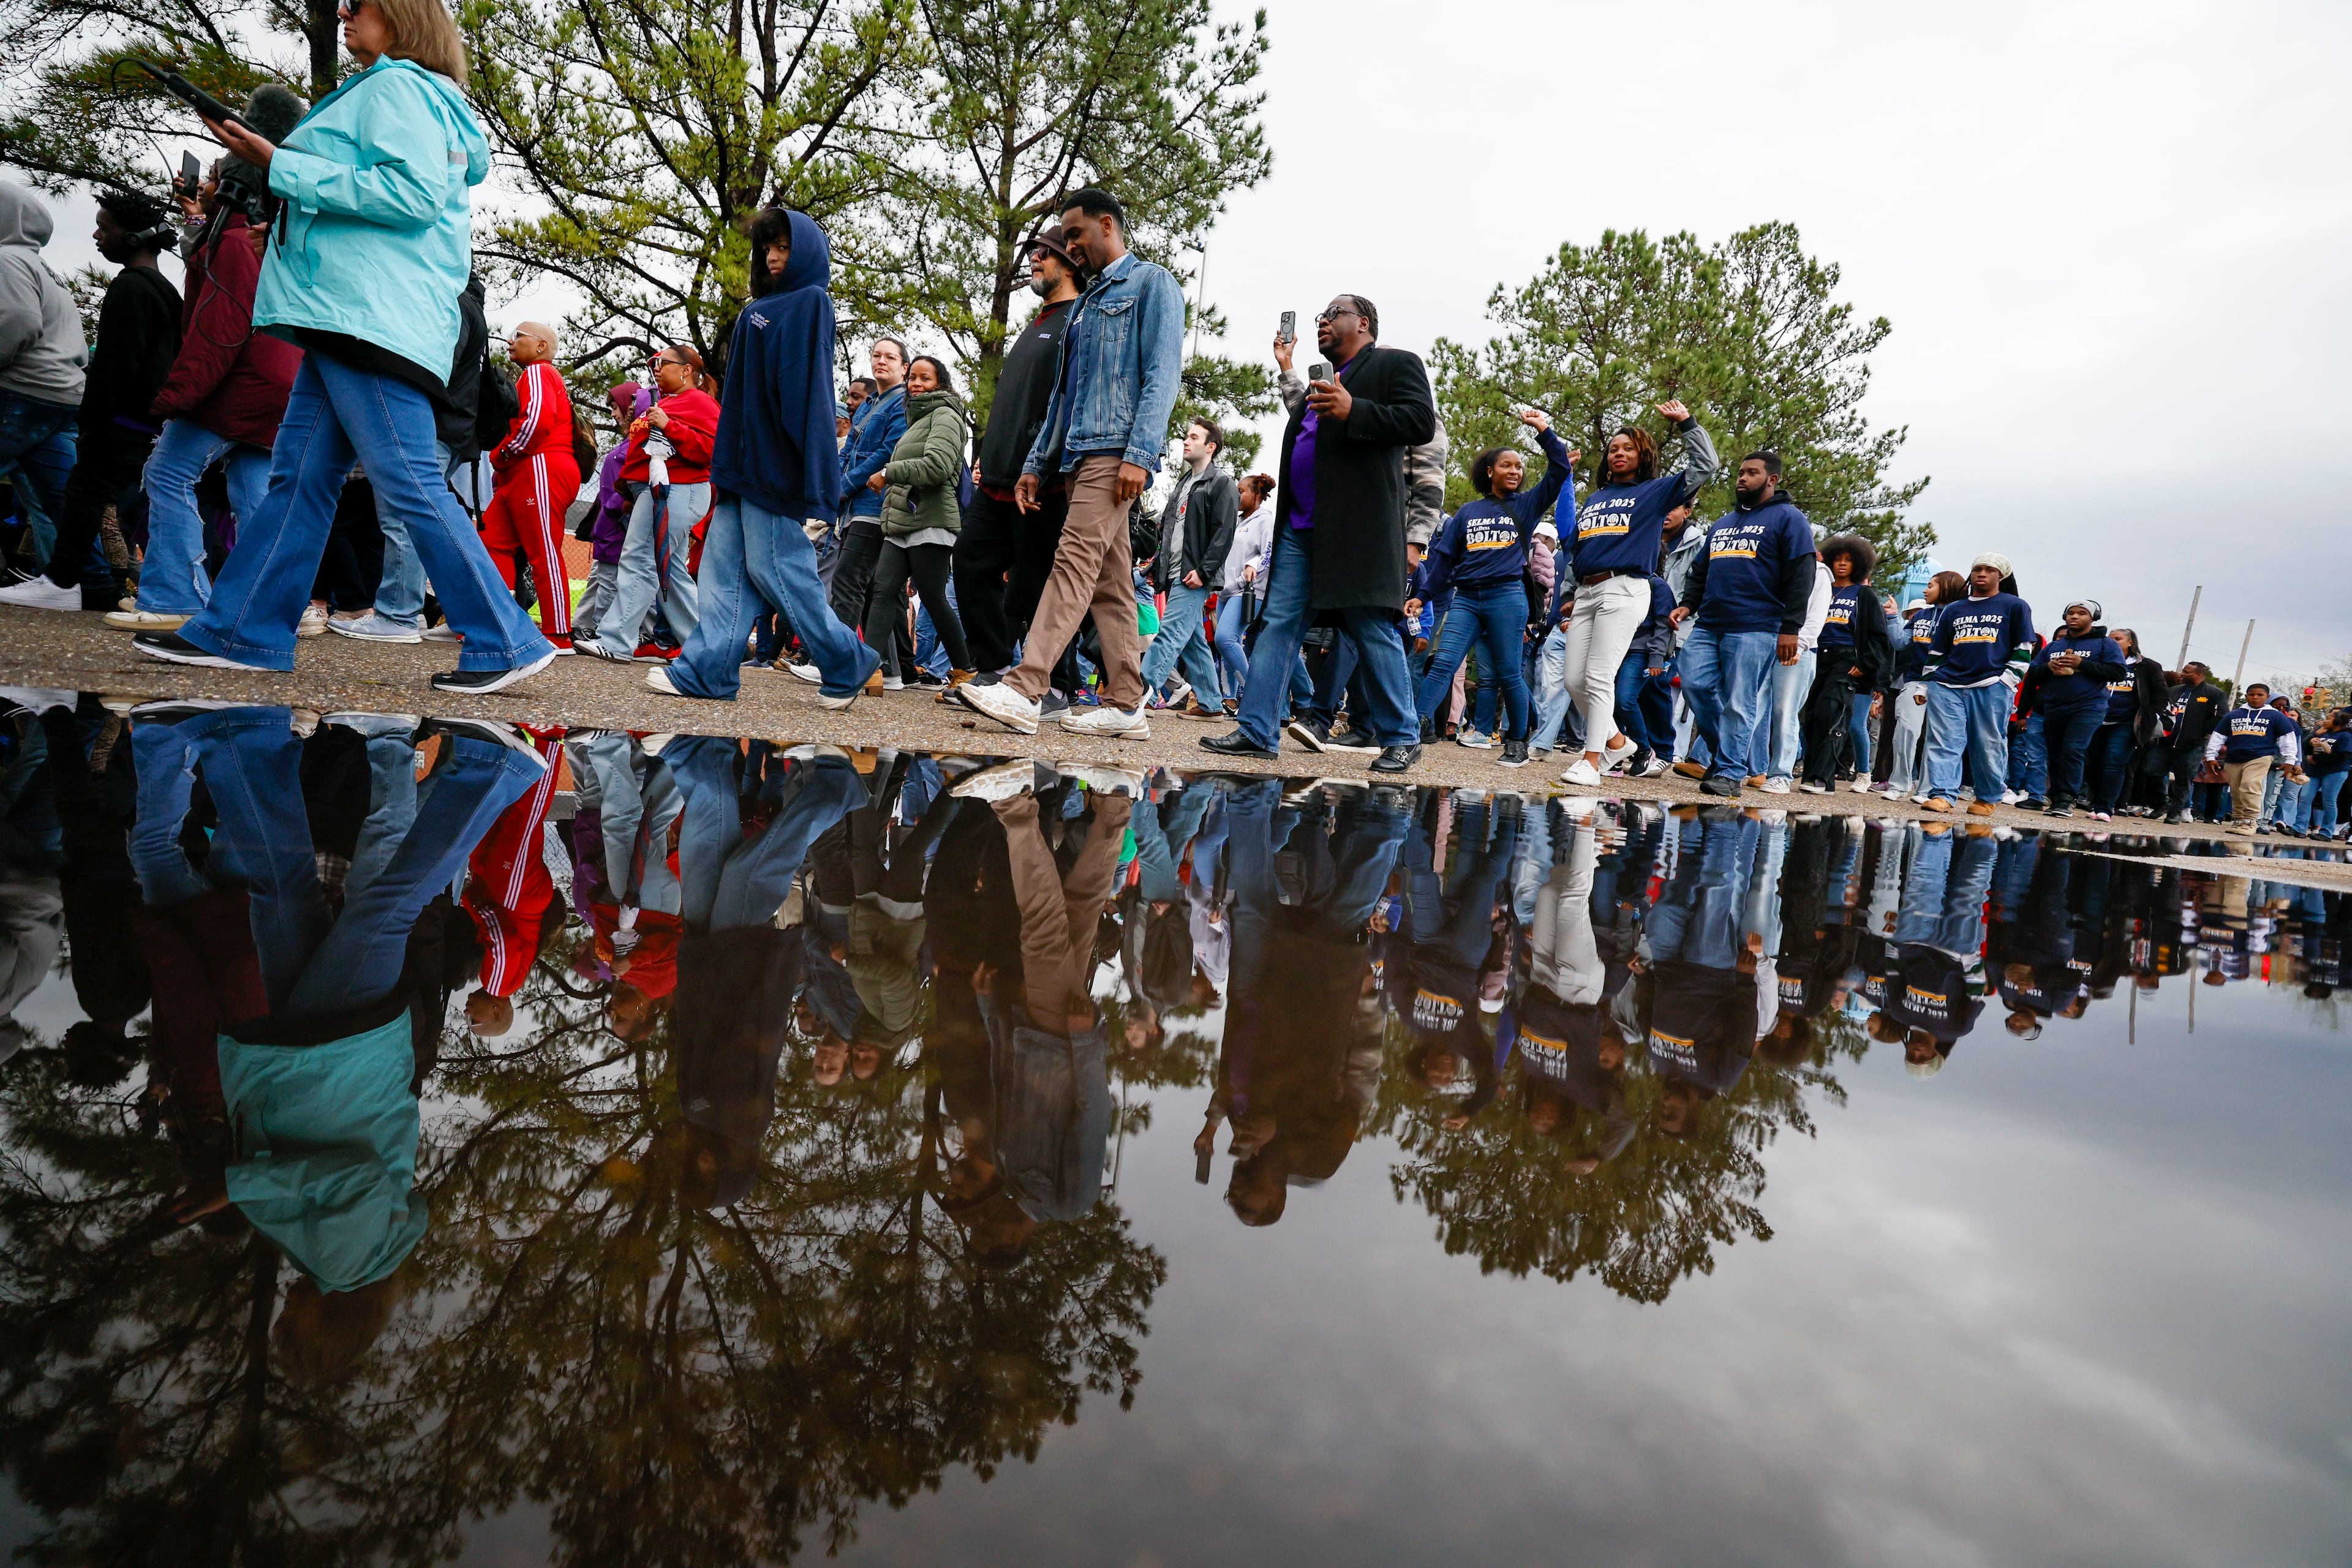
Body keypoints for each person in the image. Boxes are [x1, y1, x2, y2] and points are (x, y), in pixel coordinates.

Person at [128, 0, 556, 692]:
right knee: (301, 477)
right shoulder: (418, 95)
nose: (345, 13)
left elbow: (409, 195)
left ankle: (505, 636)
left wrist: (277, 163)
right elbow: (388, 205)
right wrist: (294, 220)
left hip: (367, 315)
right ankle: (243, 630)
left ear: (401, 16)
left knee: (408, 479)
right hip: (357, 313)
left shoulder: (397, 88)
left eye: (360, 5)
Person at [960, 188, 1184, 741]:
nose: (1071, 245)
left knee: (1073, 563)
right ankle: (1128, 701)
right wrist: (1038, 462)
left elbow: (1162, 375)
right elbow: (1064, 395)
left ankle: (1025, 687)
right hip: (1076, 456)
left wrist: (1140, 454)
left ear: (1107, 224)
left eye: (1077, 233)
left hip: (1116, 453)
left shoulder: (1152, 284)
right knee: (1109, 584)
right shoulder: (1083, 305)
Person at [650, 208, 879, 708]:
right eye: (768, 248)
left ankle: (845, 659)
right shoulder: (762, 308)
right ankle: (709, 669)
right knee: (724, 570)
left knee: (780, 569)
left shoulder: (810, 302)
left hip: (775, 467)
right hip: (740, 466)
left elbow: (808, 394)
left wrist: (814, 475)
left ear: (807, 252)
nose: (774, 257)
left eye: (784, 247)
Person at [1194, 297, 1434, 772]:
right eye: (1321, 314)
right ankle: (1258, 730)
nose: (1322, 319)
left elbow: (1420, 423)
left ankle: (1403, 737)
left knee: (1370, 627)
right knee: (1277, 626)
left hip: (1358, 532)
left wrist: (1356, 410)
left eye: (1334, 312)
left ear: (1362, 323)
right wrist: (1288, 370)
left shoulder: (1394, 364)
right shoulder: (1319, 385)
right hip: (1301, 531)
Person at [108, 146, 304, 633]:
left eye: (213, 178)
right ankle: (271, 606)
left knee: (168, 472)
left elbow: (218, 329)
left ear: (235, 185)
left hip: (241, 383)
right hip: (280, 383)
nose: (203, 185)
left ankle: (177, 594)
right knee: (255, 492)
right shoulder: (260, 236)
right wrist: (195, 218)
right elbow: (207, 254)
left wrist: (177, 396)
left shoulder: (234, 243)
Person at [0, 189, 179, 613]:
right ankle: (87, 586)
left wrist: (95, 420)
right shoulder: (165, 290)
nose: (97, 236)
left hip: (117, 420)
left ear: (134, 237)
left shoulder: (130, 287)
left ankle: (63, 582)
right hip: (143, 422)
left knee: (81, 495)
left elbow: (119, 364)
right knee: (78, 496)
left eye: (106, 227)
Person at [1556, 402, 1719, 786]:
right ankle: (1617, 741)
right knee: (1573, 681)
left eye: (1628, 447)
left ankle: (1592, 762)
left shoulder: (1655, 492)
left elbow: (1705, 466)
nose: (1619, 452)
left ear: (1643, 455)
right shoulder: (1596, 498)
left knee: (1598, 677)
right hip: (1587, 592)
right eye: (1614, 448)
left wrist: (1687, 423)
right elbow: (1571, 542)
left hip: (1625, 588)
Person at [1402, 410, 1575, 767]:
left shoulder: (1526, 506)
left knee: (1509, 672)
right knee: (1443, 664)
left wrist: (1545, 431)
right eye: (1507, 466)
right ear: (1490, 472)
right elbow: (1445, 561)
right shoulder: (1467, 512)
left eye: (1519, 467)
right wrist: (1422, 596)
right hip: (1465, 599)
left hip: (1506, 597)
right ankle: (1410, 731)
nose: (1515, 471)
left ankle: (1516, 743)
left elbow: (1559, 471)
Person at [952, 226, 1082, 688]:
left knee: (1040, 587)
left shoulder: (1077, 322)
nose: (1033, 259)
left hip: (1042, 483)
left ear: (1070, 263)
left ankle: (1060, 686)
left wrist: (1040, 463)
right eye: (1032, 252)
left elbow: (1066, 404)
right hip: (998, 480)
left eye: (1044, 253)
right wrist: (989, 454)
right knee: (969, 562)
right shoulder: (1036, 324)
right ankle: (994, 667)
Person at [1668, 450, 1814, 797]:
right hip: (1710, 623)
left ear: (1772, 479)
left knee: (1740, 700)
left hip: (1757, 626)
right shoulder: (1723, 523)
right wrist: (1688, 604)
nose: (1742, 479)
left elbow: (1801, 575)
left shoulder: (1789, 519)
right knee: (1694, 684)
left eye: (1751, 473)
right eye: (1740, 473)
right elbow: (1701, 570)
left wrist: (1790, 628)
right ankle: (1731, 754)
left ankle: (1730, 772)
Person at [579, 343, 717, 662]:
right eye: (653, 362)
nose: (655, 367)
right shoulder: (670, 402)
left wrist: (670, 426)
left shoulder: (698, 402)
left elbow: (711, 450)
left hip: (677, 490)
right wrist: (628, 490)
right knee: (671, 572)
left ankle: (615, 641)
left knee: (640, 560)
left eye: (662, 362)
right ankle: (708, 649)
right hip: (659, 492)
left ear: (686, 370)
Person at [859, 353, 973, 689]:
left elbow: (937, 467)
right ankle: (868, 668)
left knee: (934, 598)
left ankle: (965, 670)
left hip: (931, 520)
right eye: (913, 378)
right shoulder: (917, 420)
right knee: (881, 591)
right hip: (902, 521)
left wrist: (888, 473)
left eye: (926, 379)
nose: (917, 385)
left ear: (941, 384)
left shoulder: (947, 416)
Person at [478, 321, 581, 651]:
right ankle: (499, 621)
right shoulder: (538, 375)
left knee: (542, 549)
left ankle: (557, 633)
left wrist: (503, 454)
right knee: (493, 541)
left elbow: (536, 421)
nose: (510, 341)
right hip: (526, 470)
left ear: (540, 347)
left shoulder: (539, 372)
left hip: (539, 466)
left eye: (519, 336)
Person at [0, 184, 86, 553]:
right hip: (63, 394)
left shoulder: (7, 259)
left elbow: (18, 322)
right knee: (57, 498)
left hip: (23, 388)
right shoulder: (45, 270)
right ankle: (85, 579)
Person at [1918, 552, 2035, 817]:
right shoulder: (1954, 609)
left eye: (1989, 570)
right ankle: (1942, 794)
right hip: (1947, 684)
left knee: (1988, 742)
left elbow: (2024, 647)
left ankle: (1987, 796)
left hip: (1991, 684)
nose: (1982, 574)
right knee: (1944, 741)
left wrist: (2008, 680)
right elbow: (1938, 651)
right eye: (1977, 569)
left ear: (2001, 576)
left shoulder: (2015, 606)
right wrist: (1924, 685)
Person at [1143, 416, 1238, 716]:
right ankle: (1211, 703)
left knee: (1169, 633)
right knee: (1194, 640)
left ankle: (1138, 693)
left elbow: (1224, 534)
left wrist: (1205, 570)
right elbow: (1170, 534)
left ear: (1210, 447)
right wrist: (1152, 570)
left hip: (1194, 575)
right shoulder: (1184, 484)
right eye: (1187, 436)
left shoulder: (1221, 482)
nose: (1186, 441)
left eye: (1194, 437)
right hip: (1174, 573)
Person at [1798, 534, 1896, 793]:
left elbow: (1879, 636)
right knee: (1812, 716)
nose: (1842, 564)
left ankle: (1823, 778)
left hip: (1847, 659)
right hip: (1817, 655)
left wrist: (1865, 664)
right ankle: (1810, 774)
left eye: (1849, 560)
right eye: (1838, 559)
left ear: (1859, 564)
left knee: (1834, 713)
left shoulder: (1864, 594)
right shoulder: (1821, 589)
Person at [829, 335, 909, 635]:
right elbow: (847, 450)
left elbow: (888, 453)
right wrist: (835, 483)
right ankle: (891, 666)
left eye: (890, 357)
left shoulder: (902, 403)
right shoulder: (867, 405)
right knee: (874, 587)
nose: (881, 361)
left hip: (875, 504)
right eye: (877, 355)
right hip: (852, 506)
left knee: (848, 580)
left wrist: (845, 485)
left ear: (904, 367)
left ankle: (838, 659)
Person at [2019, 598, 2127, 818]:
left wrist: (2082, 665)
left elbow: (2118, 673)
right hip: (2055, 706)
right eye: (2071, 613)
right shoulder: (2055, 646)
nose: (2075, 617)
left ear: (2093, 618)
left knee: (2073, 750)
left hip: (2089, 706)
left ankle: (2067, 799)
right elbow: (2032, 672)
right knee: (2056, 754)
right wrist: (2049, 667)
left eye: (2081, 613)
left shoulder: (2106, 644)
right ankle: (2058, 796)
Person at [1879, 572, 1964, 801]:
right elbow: (1900, 642)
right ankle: (1899, 784)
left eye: (1930, 586)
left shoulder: (1961, 614)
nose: (1925, 591)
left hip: (1946, 684)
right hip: (1915, 680)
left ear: (1946, 587)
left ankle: (1927, 790)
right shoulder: (1922, 615)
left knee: (1936, 738)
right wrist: (1892, 617)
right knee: (1906, 730)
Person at [2085, 625, 2166, 821]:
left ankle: (2105, 807)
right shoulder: (2098, 662)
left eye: (2118, 638)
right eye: (2110, 638)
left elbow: (2161, 695)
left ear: (2131, 643)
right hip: (2096, 718)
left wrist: (2149, 716)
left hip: (2126, 722)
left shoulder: (2148, 666)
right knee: (2092, 763)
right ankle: (2096, 802)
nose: (2112, 641)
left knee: (2114, 762)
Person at [1213, 472, 1275, 705]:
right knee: (1230, 644)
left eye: (1241, 491)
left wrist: (1252, 568)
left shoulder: (1265, 521)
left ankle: (1256, 697)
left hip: (1248, 590)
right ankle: (1230, 699)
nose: (1236, 495)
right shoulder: (1236, 521)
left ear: (1256, 494)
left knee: (1225, 639)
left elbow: (1268, 553)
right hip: (1225, 591)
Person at [2205, 682, 2297, 835]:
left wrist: (2290, 760)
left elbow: (2287, 738)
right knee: (2236, 791)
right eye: (2252, 694)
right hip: (2234, 757)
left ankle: (2250, 821)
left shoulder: (2276, 716)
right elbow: (2218, 736)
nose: (2255, 698)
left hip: (2261, 756)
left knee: (2250, 785)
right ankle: (2239, 821)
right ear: (2247, 696)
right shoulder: (2233, 715)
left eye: (2260, 695)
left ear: (2267, 697)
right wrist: (2211, 756)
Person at [2151, 662, 2227, 824]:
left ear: (2199, 675)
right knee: (2152, 771)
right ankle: (2163, 802)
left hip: (2192, 745)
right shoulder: (2173, 691)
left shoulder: (2214, 693)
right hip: (2166, 741)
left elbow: (2221, 717)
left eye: (2187, 672)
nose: (2182, 674)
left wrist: (2201, 730)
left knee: (2183, 779)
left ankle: (2175, 812)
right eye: (2183, 671)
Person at [2296, 707, 2352, 840]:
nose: (2325, 719)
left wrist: (2316, 759)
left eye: (2330, 718)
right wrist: (2313, 739)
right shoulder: (2323, 734)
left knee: (2329, 801)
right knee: (2305, 797)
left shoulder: (2346, 736)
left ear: (2338, 721)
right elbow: (2305, 748)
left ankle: (2326, 832)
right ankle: (2299, 828)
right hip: (2315, 771)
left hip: (2335, 772)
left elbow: (2342, 756)